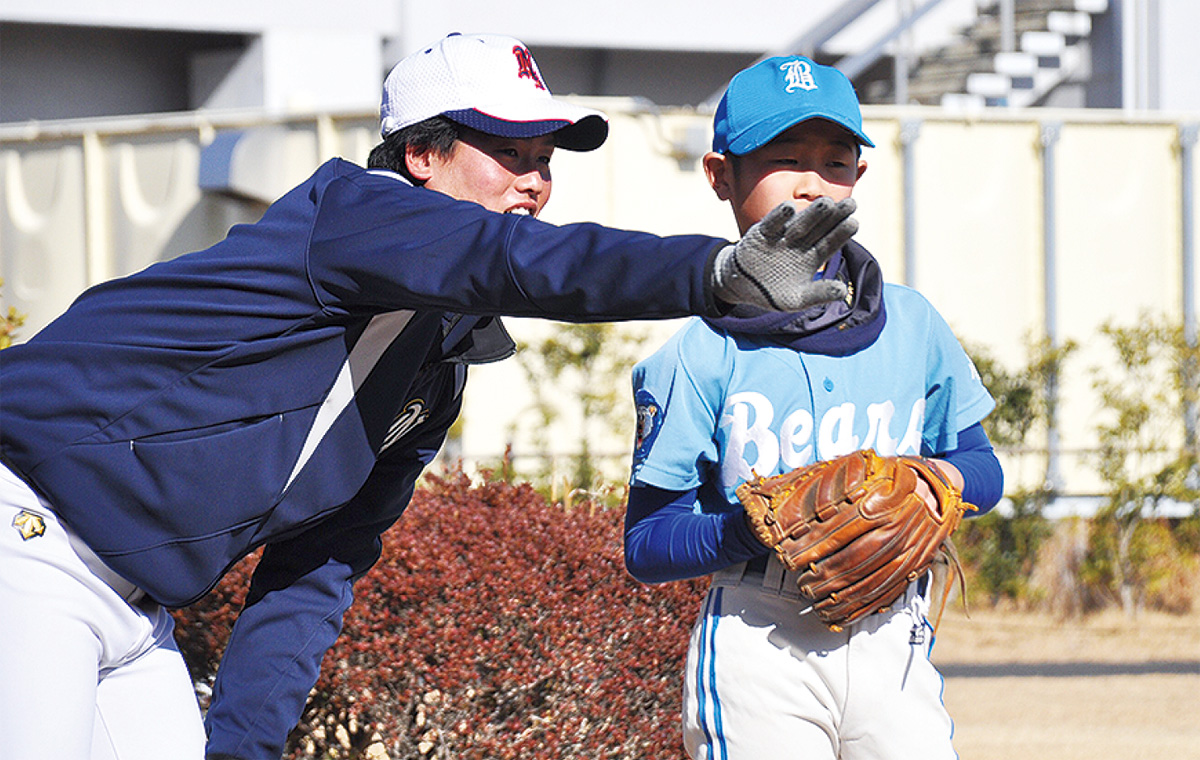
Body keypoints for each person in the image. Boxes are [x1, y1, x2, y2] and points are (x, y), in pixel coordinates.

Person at [0, 34, 860, 760]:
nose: (535, 182)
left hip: (135, 614)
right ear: (420, 156)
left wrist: (244, 746)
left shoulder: (437, 358)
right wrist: (711, 273)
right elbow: (515, 261)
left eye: (544, 162)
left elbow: (320, 564)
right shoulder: (354, 212)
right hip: (28, 539)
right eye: (509, 153)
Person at [623, 55, 1005, 760]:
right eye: (786, 158)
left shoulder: (913, 324)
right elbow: (647, 544)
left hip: (895, 632)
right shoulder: (699, 351)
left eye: (835, 161)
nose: (811, 182)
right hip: (759, 634)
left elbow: (983, 467)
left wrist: (933, 483)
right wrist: (748, 530)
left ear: (859, 176)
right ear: (720, 175)